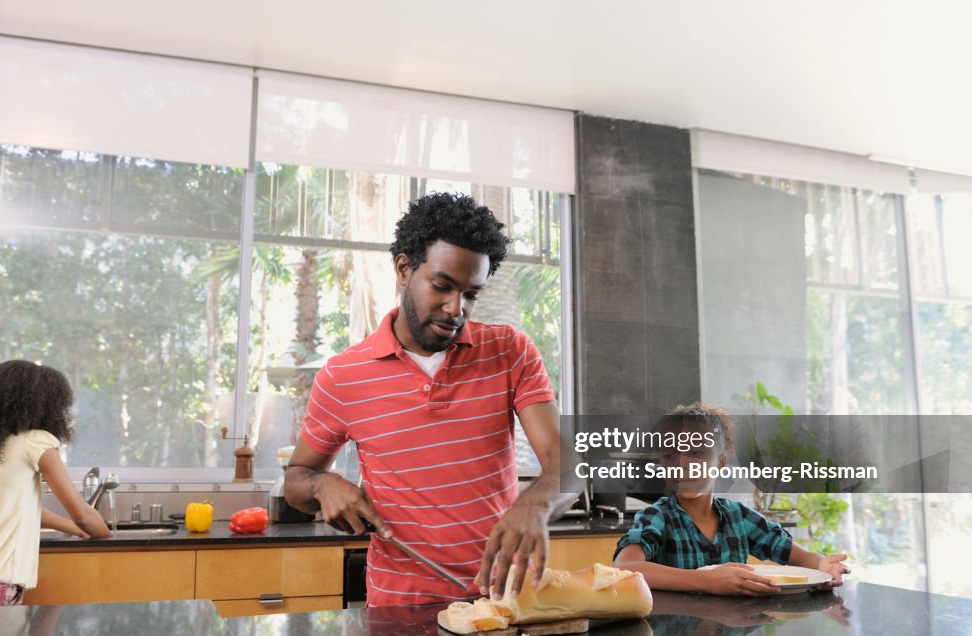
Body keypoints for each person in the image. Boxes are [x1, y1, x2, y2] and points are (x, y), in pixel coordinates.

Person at [284, 192, 574, 606]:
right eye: (442, 286)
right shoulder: (343, 376)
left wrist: (537, 503)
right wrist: (323, 484)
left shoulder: (510, 351)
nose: (456, 308)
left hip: (505, 602)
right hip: (401, 610)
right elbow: (296, 479)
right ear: (404, 268)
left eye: (472, 294)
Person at [614, 403, 849, 596]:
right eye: (669, 455)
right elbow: (624, 567)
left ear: (721, 462)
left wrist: (822, 566)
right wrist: (704, 580)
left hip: (726, 635)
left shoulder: (739, 517)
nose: (681, 464)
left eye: (695, 453)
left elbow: (797, 555)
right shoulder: (657, 517)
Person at [0, 360, 112, 606]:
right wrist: (109, 537)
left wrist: (72, 529)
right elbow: (84, 515)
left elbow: (15, 505)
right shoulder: (36, 441)